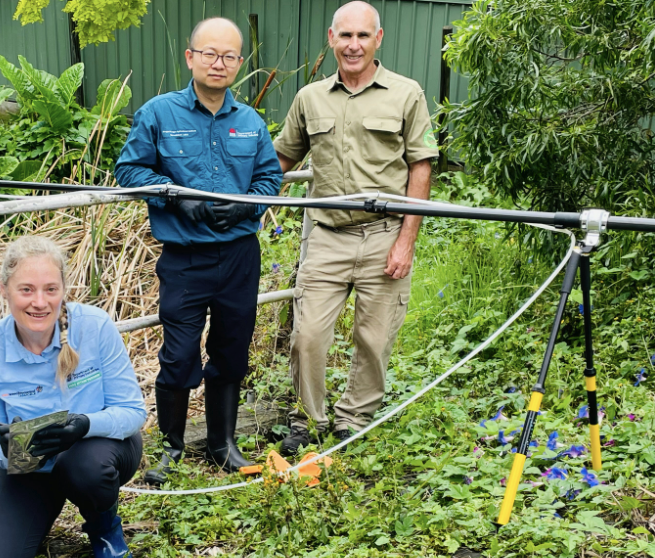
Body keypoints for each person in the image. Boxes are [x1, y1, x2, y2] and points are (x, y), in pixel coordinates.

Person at [115, 17, 283, 485]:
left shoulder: (250, 122)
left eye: (229, 56)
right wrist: (173, 195)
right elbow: (129, 171)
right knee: (179, 354)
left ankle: (221, 444)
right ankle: (170, 447)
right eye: (209, 53)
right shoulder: (158, 114)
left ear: (239, 63)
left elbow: (270, 178)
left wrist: (246, 207)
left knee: (232, 349)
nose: (218, 63)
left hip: (239, 256)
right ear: (190, 57)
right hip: (185, 258)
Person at [274, 1, 438, 455]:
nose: (353, 45)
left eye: (363, 36)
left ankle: (353, 420)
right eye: (345, 36)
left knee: (374, 339)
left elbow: (421, 167)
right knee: (307, 336)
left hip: (385, 233)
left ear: (377, 39)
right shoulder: (310, 97)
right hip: (327, 236)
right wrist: (235, 191)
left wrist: (406, 241)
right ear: (331, 38)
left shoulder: (406, 93)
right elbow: (282, 158)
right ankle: (308, 421)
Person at [0, 236, 147, 558]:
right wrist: (9, 450)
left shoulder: (94, 327)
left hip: (97, 452)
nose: (40, 302)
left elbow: (132, 411)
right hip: (32, 466)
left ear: (64, 289)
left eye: (50, 289)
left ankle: (104, 526)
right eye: (26, 290)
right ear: (4, 291)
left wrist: (84, 425)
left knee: (84, 466)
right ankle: (36, 513)